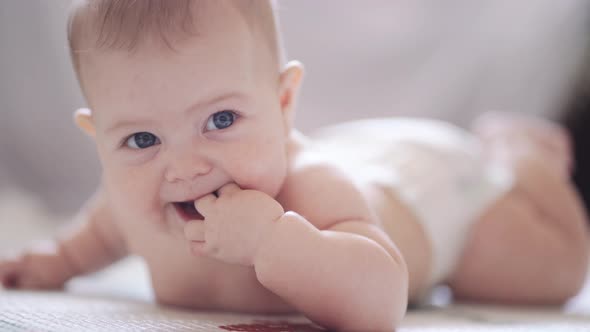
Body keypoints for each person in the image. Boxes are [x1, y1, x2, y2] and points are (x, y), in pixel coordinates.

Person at [0, 1, 588, 330]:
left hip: (436, 193)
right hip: (368, 152)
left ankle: (521, 156)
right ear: (98, 138)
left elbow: (381, 302)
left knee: (547, 275)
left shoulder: (311, 189)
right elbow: (93, 239)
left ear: (283, 104)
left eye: (222, 120)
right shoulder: (129, 199)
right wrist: (51, 263)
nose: (183, 168)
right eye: (142, 138)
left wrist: (275, 241)